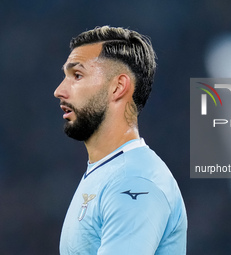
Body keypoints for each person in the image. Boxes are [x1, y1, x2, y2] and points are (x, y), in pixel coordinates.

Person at [54, 26, 187, 255]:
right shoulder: (109, 171)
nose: (59, 90)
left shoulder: (134, 180)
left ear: (117, 87)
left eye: (77, 75)